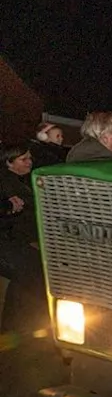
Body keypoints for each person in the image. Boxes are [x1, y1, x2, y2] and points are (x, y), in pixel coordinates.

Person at [0, 144, 45, 336]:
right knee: (31, 272)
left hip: (19, 239)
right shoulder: (8, 183)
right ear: (9, 163)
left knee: (28, 274)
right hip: (12, 240)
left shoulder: (20, 181)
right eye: (23, 159)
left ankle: (15, 325)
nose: (29, 162)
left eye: (30, 158)